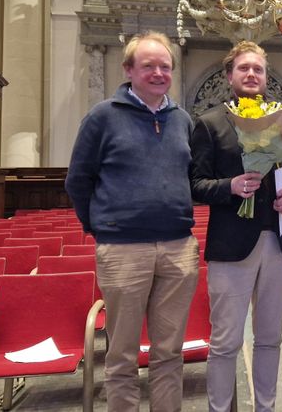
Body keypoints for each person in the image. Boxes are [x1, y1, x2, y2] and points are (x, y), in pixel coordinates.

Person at [65, 31, 199, 412]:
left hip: (178, 248)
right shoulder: (103, 116)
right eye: (148, 66)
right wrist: (99, 226)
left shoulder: (181, 120)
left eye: (165, 66)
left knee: (170, 352)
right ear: (129, 69)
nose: (158, 73)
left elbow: (189, 179)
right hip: (124, 250)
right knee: (122, 355)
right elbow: (78, 180)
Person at [190, 40, 282, 412]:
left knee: (270, 339)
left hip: (279, 241)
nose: (252, 74)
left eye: (258, 69)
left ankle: (265, 408)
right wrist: (231, 186)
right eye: (244, 68)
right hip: (231, 245)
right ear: (229, 75)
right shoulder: (209, 124)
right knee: (225, 342)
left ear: (266, 76)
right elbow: (195, 184)